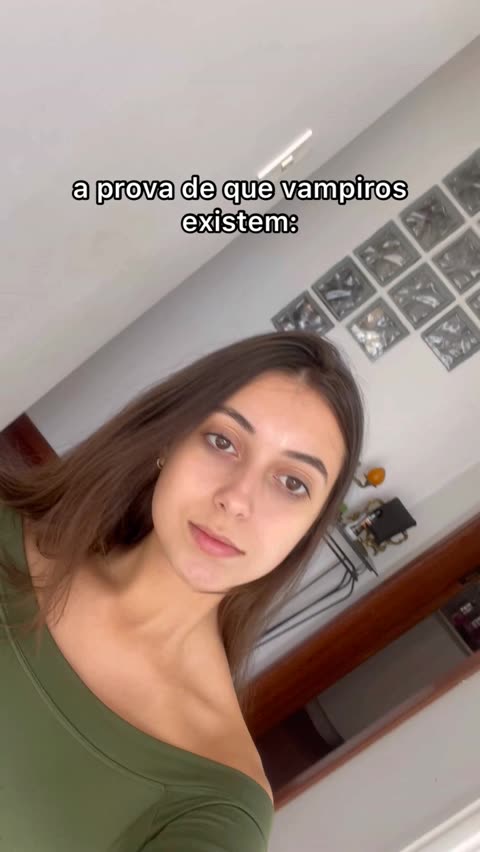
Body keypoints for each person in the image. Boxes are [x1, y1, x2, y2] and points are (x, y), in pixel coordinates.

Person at [0, 329, 364, 851]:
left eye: (292, 483)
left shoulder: (217, 804)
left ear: (307, 530)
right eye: (223, 442)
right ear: (169, 441)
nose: (237, 499)